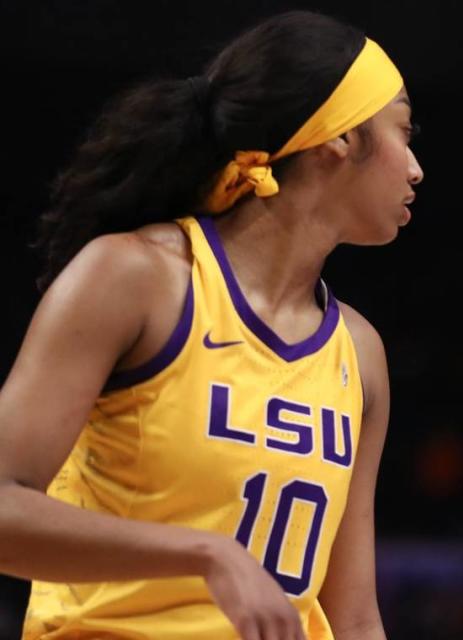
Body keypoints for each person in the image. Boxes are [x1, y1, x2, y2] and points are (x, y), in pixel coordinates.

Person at [0, 10, 422, 639]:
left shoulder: (358, 353)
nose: (416, 168)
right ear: (339, 138)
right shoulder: (136, 277)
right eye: (403, 132)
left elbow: (354, 616)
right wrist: (204, 553)